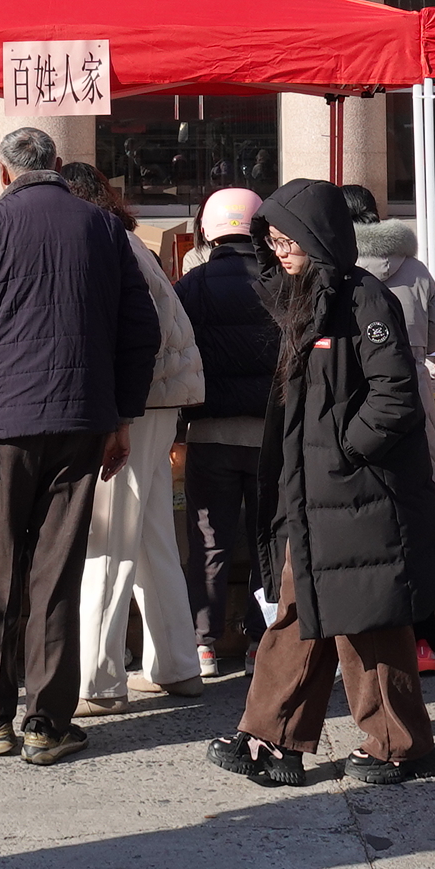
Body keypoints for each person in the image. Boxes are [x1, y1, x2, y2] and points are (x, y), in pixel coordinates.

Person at [209, 178, 435, 789]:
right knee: (298, 610)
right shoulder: (304, 299)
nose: (280, 250)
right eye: (272, 240)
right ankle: (272, 737)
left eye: (289, 239)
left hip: (356, 492)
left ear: (318, 237)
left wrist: (347, 452)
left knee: (368, 620)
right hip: (311, 492)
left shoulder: (364, 298)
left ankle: (400, 746)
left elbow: (394, 396)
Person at [0, 126, 157, 766]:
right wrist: (120, 418)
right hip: (82, 420)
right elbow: (140, 331)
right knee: (57, 573)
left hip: (2, 427)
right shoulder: (104, 226)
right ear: (56, 163)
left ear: (4, 172)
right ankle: (48, 723)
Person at [63, 162, 205, 715]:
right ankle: (176, 664)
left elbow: (130, 334)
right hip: (155, 400)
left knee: (111, 539)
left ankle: (98, 681)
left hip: (133, 403)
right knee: (148, 537)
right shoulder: (127, 241)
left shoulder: (108, 244)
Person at [346, 184, 435, 675]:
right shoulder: (415, 267)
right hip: (412, 393)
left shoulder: (337, 270)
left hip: (357, 398)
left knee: (364, 524)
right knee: (418, 518)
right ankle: (425, 640)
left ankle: (368, 642)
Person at [174, 186, 277, 681]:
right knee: (267, 541)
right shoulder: (282, 283)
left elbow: (174, 357)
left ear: (207, 231)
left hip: (209, 434)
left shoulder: (192, 285)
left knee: (209, 541)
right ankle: (261, 643)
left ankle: (203, 645)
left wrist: (178, 427)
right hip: (271, 436)